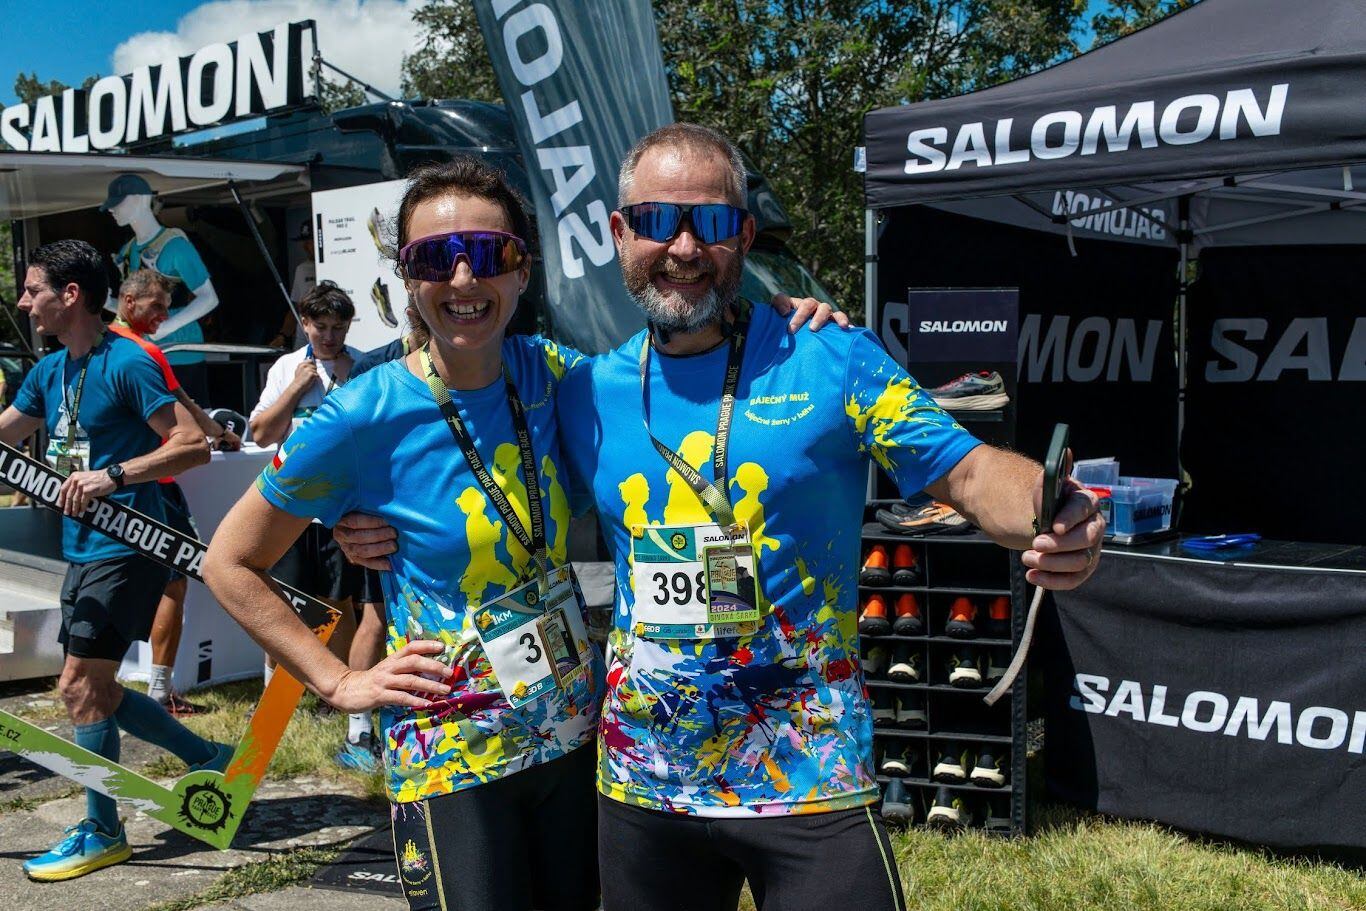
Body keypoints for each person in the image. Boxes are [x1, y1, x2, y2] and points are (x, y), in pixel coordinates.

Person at [336, 124, 1103, 911]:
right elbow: (479, 459)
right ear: (619, 233)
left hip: (808, 774)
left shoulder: (830, 357)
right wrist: (360, 519)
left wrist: (1050, 508)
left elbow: (968, 470)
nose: (683, 247)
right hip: (642, 788)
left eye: (709, 222)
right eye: (656, 221)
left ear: (744, 235)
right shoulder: (584, 390)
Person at [205, 157, 840, 911]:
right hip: (450, 753)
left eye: (489, 252)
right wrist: (340, 681)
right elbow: (229, 562)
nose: (464, 277)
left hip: (573, 738)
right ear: (407, 277)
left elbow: (679, 372)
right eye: (435, 258)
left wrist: (772, 326)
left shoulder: (561, 378)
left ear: (521, 270)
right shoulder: (360, 414)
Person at [0, 240, 231, 882]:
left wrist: (114, 475)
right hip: (81, 548)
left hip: (128, 545)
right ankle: (209, 756)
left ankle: (103, 831)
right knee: (96, 688)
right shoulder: (50, 371)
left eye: (33, 290)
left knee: (79, 686)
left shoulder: (127, 362)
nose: (25, 302)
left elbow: (192, 445)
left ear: (70, 295)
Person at [248, 282, 373, 764]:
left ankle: (343, 700)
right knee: (280, 600)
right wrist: (298, 388)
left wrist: (346, 384)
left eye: (339, 328)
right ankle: (273, 703)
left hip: (343, 506)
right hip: (293, 507)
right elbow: (262, 433)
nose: (330, 337)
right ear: (305, 324)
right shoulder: (286, 368)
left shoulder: (360, 367)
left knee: (339, 605)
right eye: (321, 327)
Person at [110, 269, 243, 715]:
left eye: (167, 308)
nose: (165, 316)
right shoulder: (143, 351)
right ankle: (159, 693)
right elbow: (182, 402)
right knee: (174, 581)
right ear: (129, 301)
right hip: (154, 486)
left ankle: (104, 680)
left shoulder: (102, 348)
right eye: (157, 306)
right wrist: (219, 433)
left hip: (116, 484)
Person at [102, 174, 219, 405]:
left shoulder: (175, 246)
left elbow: (209, 297)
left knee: (187, 417)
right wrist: (108, 303)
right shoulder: (128, 251)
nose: (112, 210)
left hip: (179, 351)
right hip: (142, 352)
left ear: (141, 199)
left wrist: (166, 327)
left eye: (119, 203)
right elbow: (134, 310)